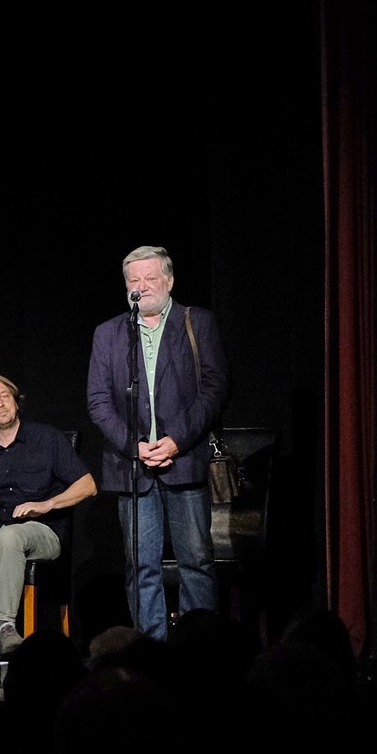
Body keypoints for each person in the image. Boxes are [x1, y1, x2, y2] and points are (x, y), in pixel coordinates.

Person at [85, 244, 230, 640]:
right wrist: (133, 446)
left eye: (151, 278)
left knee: (196, 560)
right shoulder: (109, 333)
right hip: (132, 467)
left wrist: (176, 441)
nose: (142, 286)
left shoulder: (197, 322)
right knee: (140, 565)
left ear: (169, 280)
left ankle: (198, 644)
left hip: (183, 459)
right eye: (134, 280)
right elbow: (98, 401)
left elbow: (215, 390)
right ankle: (150, 649)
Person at [0, 374, 97, 655]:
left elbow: (88, 486)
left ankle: (4, 623)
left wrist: (47, 504)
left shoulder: (47, 439)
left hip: (42, 529)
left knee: (10, 536)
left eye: (5, 396)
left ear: (16, 401)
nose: (0, 404)